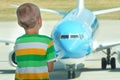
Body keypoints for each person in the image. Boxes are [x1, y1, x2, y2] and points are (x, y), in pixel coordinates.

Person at [14, 3, 56, 80]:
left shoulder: (18, 41)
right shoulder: (47, 42)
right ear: (39, 20)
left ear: (19, 23)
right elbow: (50, 68)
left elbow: (19, 62)